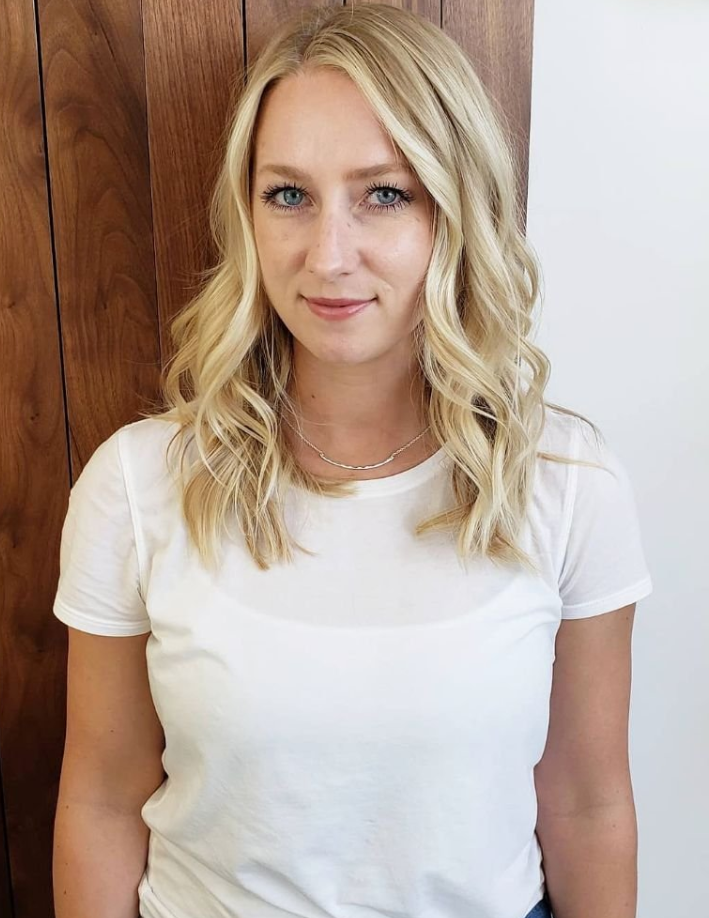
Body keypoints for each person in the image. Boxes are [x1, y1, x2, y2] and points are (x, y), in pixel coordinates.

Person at [51, 5, 653, 918]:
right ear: (247, 215)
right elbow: (101, 799)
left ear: (456, 209)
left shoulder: (566, 482)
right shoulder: (138, 484)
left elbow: (586, 801)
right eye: (288, 196)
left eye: (384, 194)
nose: (328, 257)